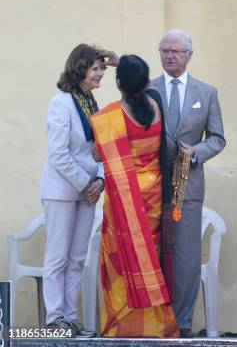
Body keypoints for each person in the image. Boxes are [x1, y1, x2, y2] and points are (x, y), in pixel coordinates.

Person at [90, 55, 179, 338]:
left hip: (125, 202)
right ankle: (155, 327)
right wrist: (123, 62)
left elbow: (96, 153)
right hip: (154, 200)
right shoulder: (156, 104)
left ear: (118, 84)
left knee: (120, 262)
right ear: (145, 81)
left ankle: (122, 328)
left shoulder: (111, 116)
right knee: (151, 262)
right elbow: (145, 83)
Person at [151, 29, 225, 337]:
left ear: (189, 56)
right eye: (165, 50)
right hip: (151, 184)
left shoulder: (206, 93)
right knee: (151, 255)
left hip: (188, 186)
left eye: (176, 51)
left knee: (185, 259)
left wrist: (195, 153)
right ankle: (152, 323)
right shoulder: (147, 89)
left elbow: (218, 139)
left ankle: (180, 325)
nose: (169, 55)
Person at [40, 44, 112, 336]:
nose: (99, 75)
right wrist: (86, 184)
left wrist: (100, 181)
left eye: (101, 70)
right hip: (62, 191)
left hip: (88, 191)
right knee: (57, 256)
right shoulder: (61, 103)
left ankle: (69, 317)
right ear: (79, 69)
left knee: (77, 258)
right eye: (95, 69)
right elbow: (58, 154)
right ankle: (54, 319)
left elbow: (101, 151)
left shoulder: (90, 103)